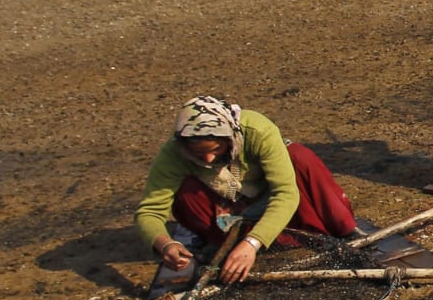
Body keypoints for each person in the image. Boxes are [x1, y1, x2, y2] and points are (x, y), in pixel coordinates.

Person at [135, 96, 358, 284]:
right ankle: (229, 244)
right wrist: (165, 244)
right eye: (198, 154)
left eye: (215, 149)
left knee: (300, 158)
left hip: (268, 197)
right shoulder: (173, 155)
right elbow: (150, 212)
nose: (209, 159)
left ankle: (327, 230)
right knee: (185, 193)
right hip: (231, 209)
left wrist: (252, 242)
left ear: (230, 137)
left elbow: (286, 193)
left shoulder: (257, 130)